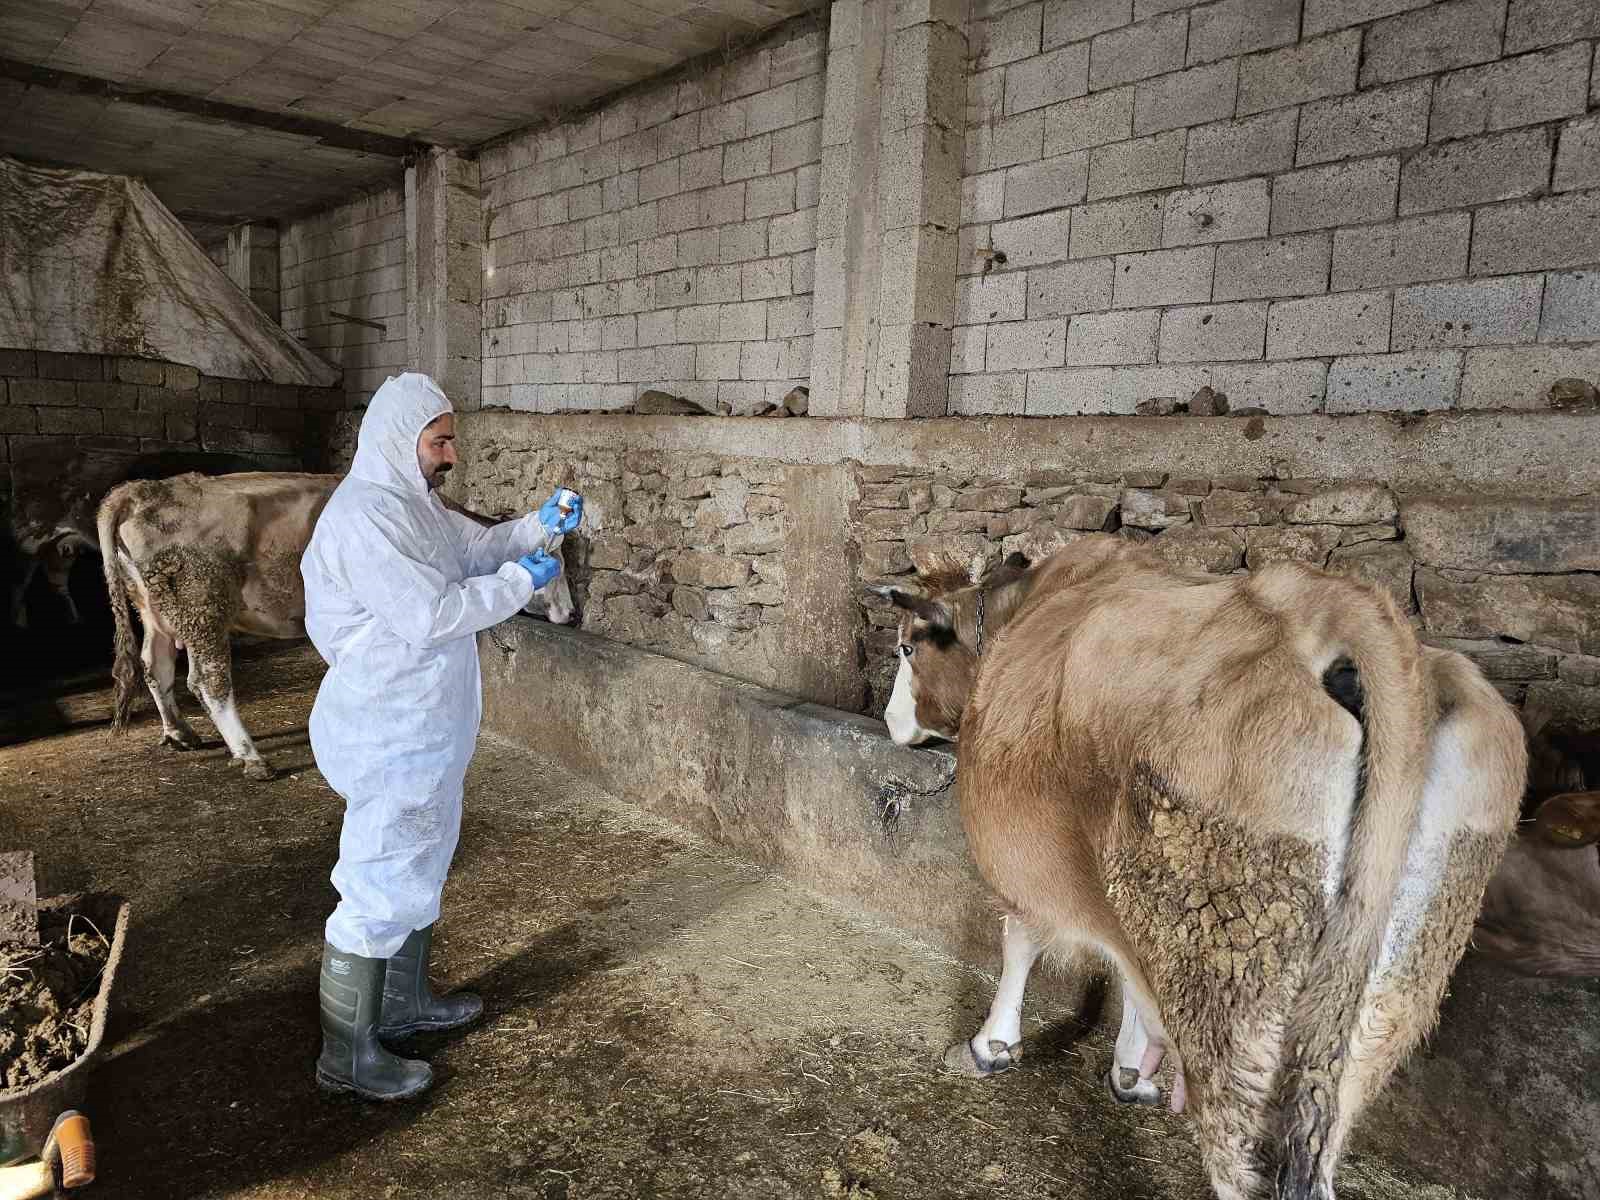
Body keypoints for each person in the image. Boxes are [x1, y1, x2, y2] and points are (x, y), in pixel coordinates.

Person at [300, 372, 583, 1101]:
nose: (451, 454)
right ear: (402, 440)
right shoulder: (368, 518)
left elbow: (481, 550)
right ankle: (348, 1054)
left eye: (450, 439)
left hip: (427, 724)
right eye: (441, 440)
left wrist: (540, 525)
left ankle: (402, 1003)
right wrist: (522, 584)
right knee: (379, 879)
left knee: (420, 864)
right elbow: (431, 614)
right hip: (388, 726)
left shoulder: (413, 506)